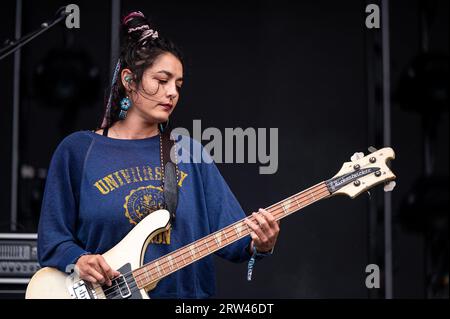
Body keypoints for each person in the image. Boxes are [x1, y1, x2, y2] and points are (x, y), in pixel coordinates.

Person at [37, 11, 280, 299]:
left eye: (178, 85)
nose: (172, 93)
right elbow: (53, 241)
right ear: (129, 80)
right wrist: (79, 259)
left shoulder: (188, 153)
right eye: (162, 80)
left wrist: (260, 244)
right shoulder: (77, 151)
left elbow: (237, 242)